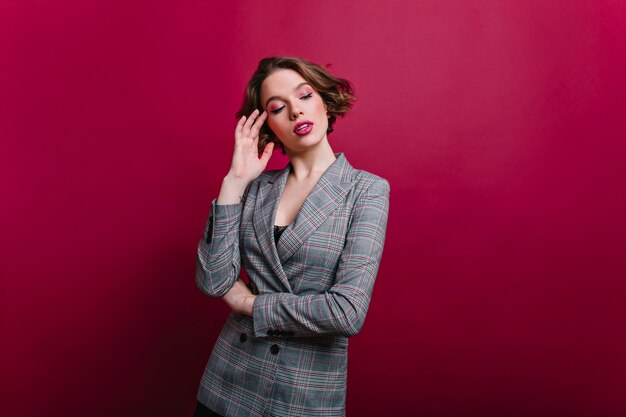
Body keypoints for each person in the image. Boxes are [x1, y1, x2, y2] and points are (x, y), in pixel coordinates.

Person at [193, 56, 390, 417]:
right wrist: (235, 181)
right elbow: (213, 280)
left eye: (304, 96)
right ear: (267, 125)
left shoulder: (366, 191)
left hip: (304, 395)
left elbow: (346, 312)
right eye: (279, 107)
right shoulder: (255, 190)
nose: (296, 113)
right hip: (226, 384)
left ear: (326, 102)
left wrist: (248, 304)